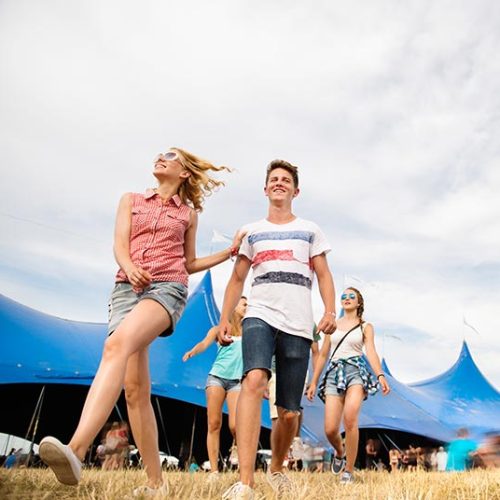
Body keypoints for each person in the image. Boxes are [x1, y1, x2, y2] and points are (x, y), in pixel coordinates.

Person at [39, 148, 243, 496]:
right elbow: (120, 244)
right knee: (135, 390)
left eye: (170, 155)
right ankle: (155, 483)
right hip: (125, 290)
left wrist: (228, 253)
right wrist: (130, 266)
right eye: (159, 154)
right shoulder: (130, 200)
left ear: (185, 173)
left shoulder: (188, 215)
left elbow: (188, 262)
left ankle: (76, 449)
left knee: (115, 346)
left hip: (166, 290)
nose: (159, 158)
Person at [218, 160, 337, 499]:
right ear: (266, 188)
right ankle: (245, 482)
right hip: (259, 314)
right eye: (274, 179)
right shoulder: (251, 231)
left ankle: (277, 468)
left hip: (299, 323)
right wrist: (226, 317)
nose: (279, 183)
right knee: (253, 381)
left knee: (288, 413)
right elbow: (238, 278)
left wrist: (329, 311)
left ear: (295, 191)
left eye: (286, 180)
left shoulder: (310, 230)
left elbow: (324, 275)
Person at [306, 287, 390, 484]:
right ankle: (339, 451)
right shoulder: (332, 325)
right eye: (343, 296)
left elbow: (371, 351)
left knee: (351, 418)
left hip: (356, 372)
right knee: (330, 429)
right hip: (334, 373)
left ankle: (348, 471)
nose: (347, 298)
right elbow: (323, 353)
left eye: (351, 296)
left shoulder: (365, 326)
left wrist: (380, 374)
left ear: (359, 303)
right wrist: (314, 381)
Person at [182, 296, 248, 477]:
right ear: (234, 307)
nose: (247, 307)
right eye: (244, 304)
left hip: (237, 381)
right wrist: (192, 352)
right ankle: (214, 470)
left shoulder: (249, 331)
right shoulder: (219, 329)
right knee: (213, 423)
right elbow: (204, 343)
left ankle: (243, 467)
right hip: (217, 377)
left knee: (235, 426)